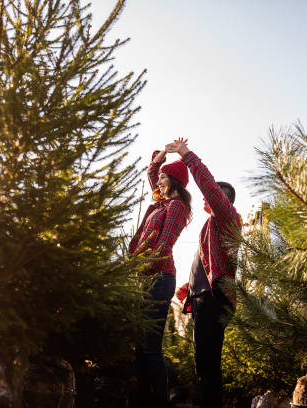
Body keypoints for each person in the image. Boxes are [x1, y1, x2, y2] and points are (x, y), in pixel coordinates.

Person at [170, 138, 242, 408]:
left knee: (208, 362)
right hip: (204, 297)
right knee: (205, 361)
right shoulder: (212, 225)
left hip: (213, 299)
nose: (206, 196)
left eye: (214, 193)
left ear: (223, 199)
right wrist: (189, 287)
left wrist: (187, 155)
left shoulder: (227, 216)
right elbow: (209, 261)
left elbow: (208, 184)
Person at [129, 145, 192, 407]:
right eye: (161, 177)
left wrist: (141, 270)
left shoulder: (176, 206)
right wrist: (162, 156)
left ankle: (158, 401)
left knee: (151, 346)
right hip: (146, 276)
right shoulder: (160, 204)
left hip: (160, 276)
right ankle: (141, 399)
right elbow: (152, 171)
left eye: (165, 177)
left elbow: (163, 246)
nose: (159, 180)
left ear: (174, 181)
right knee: (140, 347)